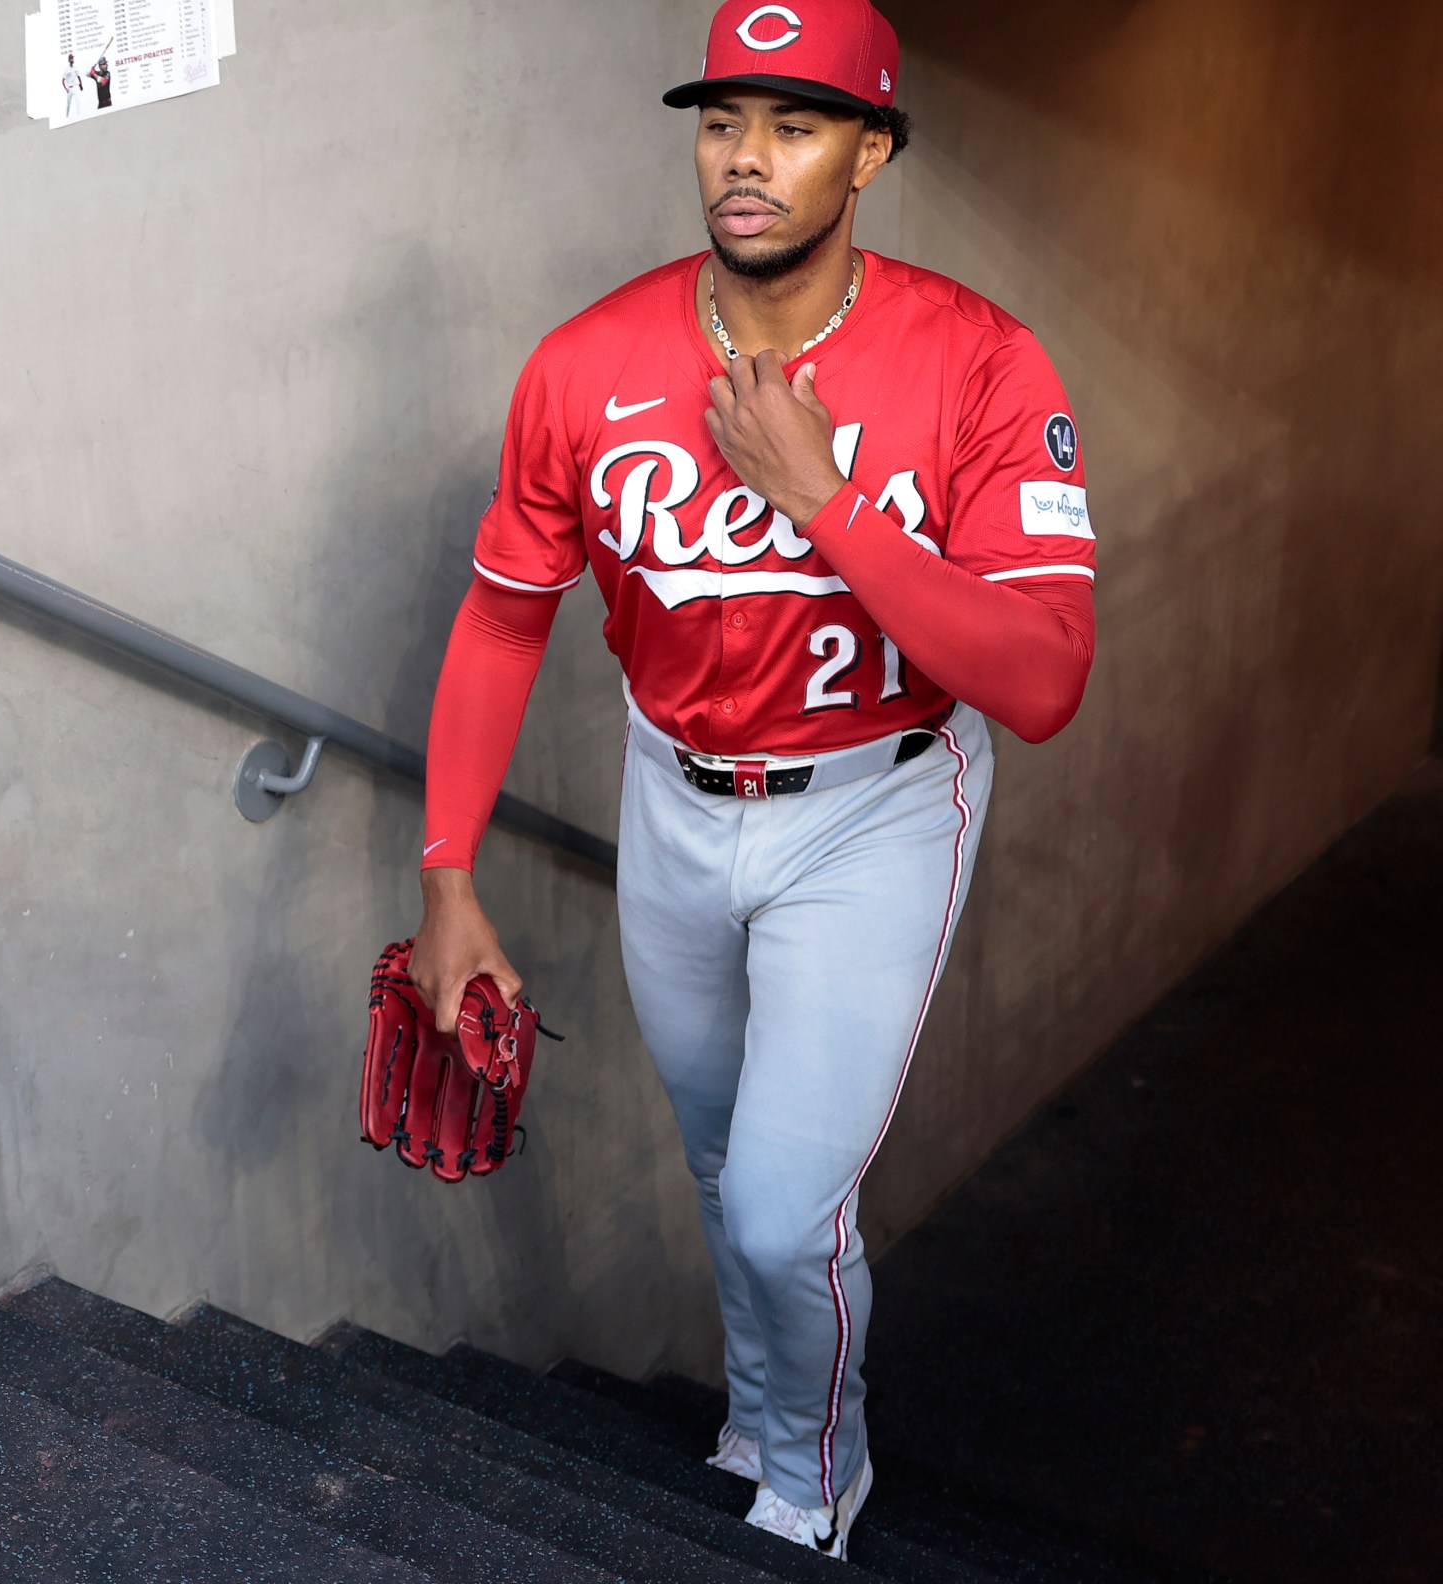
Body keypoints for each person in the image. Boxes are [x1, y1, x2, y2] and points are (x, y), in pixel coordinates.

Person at [410, 0, 1095, 1559]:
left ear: (872, 150)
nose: (746, 157)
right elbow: (504, 617)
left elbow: (1045, 680)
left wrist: (828, 505)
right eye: (724, 120)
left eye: (795, 124)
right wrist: (448, 876)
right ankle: (758, 1419)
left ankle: (814, 1480)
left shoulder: (981, 362)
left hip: (878, 801)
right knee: (727, 1167)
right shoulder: (586, 364)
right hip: (675, 795)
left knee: (790, 1209)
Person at [62, 53, 85, 120]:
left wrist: (81, 84)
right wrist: (66, 89)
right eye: (71, 58)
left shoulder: (75, 68)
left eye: (73, 58)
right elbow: (62, 80)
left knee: (78, 103)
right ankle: (66, 116)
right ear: (69, 60)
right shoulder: (66, 69)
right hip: (69, 88)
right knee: (68, 104)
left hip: (75, 87)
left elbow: (78, 76)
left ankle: (79, 117)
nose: (72, 59)